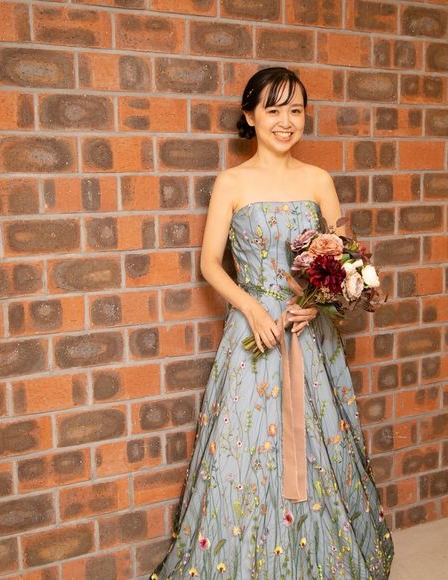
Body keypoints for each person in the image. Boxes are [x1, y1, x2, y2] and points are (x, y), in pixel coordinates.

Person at [150, 66, 394, 579]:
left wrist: (319, 302)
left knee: (319, 443)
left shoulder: (318, 180)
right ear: (250, 115)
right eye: (274, 109)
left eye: (296, 110)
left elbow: (344, 259)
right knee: (244, 448)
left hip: (308, 331)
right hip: (255, 331)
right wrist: (252, 307)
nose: (286, 121)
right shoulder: (232, 182)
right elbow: (210, 263)